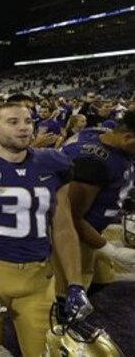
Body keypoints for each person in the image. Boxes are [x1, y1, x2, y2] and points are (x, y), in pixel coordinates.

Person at [0, 102, 92, 357]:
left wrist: (75, 284)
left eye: (28, 122)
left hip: (38, 277)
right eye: (13, 122)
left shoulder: (54, 164)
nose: (24, 128)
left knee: (41, 349)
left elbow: (63, 228)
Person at [54, 113, 135, 318]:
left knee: (103, 277)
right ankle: (59, 324)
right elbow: (70, 217)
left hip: (89, 229)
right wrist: (112, 251)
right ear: (128, 138)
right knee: (71, 288)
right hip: (74, 233)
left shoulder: (100, 133)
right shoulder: (92, 163)